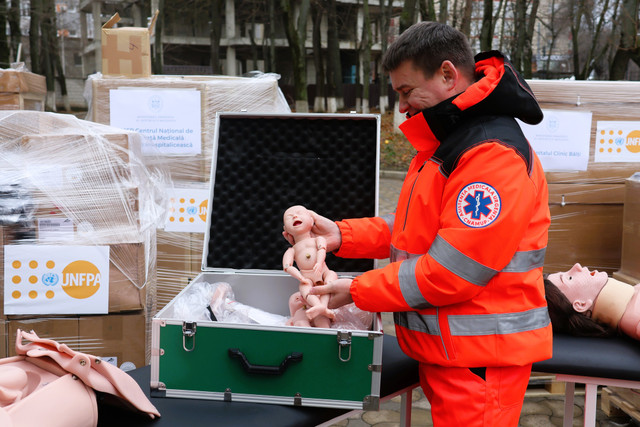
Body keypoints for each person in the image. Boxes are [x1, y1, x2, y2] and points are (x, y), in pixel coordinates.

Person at [285, 21, 552, 426]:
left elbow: (450, 272)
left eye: (407, 92)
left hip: (480, 364)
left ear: (448, 74)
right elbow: (419, 232)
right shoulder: (451, 141)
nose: (404, 107)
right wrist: (342, 234)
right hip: (457, 355)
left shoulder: (490, 155)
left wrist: (356, 290)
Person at [546, 263, 637, 339]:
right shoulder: (634, 319)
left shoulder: (633, 298)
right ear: (581, 304)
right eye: (570, 278)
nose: (577, 265)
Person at [282, 205, 336, 328]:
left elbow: (322, 249)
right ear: (286, 230)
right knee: (304, 288)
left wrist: (319, 262)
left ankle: (323, 306)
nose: (295, 216)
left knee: (331, 276)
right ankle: (318, 306)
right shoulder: (292, 250)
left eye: (300, 213)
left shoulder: (318, 239)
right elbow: (287, 266)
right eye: (289, 217)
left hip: (322, 272)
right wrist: (300, 277)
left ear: (312, 220)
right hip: (307, 278)